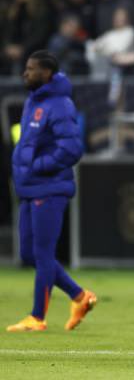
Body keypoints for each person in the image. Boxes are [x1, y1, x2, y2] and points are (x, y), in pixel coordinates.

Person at [7, 50, 96, 332]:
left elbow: (72, 148)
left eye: (31, 69)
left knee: (43, 253)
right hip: (31, 187)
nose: (25, 73)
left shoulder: (60, 104)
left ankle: (37, 317)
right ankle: (80, 296)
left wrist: (39, 165)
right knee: (29, 254)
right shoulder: (36, 100)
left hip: (49, 187)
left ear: (46, 73)